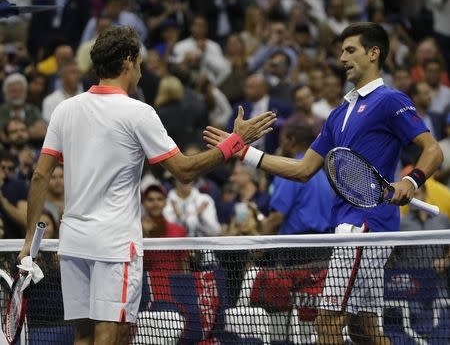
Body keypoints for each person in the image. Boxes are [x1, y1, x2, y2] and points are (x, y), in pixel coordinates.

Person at [18, 26, 275, 345]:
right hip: (114, 243)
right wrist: (235, 142)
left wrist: (31, 238)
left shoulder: (64, 110)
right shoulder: (139, 113)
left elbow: (40, 176)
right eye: (139, 63)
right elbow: (183, 170)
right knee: (110, 331)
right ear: (128, 62)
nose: (141, 71)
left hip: (74, 240)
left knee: (83, 334)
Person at [204, 22, 444, 345]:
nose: (342, 57)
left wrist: (412, 181)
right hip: (351, 227)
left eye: (350, 50)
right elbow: (303, 169)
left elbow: (433, 150)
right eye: (341, 51)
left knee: (326, 321)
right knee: (365, 330)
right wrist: (244, 152)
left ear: (374, 54)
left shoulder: (390, 100)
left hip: (365, 227)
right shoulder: (337, 114)